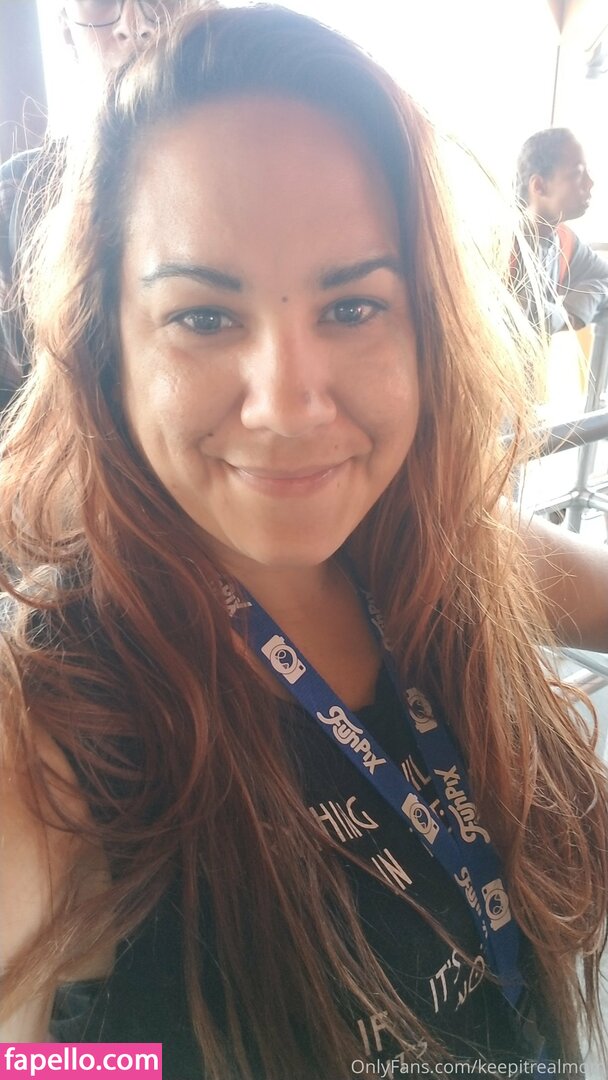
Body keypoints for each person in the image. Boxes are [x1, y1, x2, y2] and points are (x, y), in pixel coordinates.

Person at [1, 7, 607, 1079]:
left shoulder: (447, 550)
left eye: (354, 307)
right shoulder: (44, 725)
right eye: (202, 317)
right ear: (107, 346)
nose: (286, 404)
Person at [0, 0, 191, 410]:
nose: (135, 24)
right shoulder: (15, 198)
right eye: (103, 3)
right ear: (67, 31)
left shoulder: (283, 173)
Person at [512, 127, 608, 334]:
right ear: (539, 186)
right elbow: (518, 315)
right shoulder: (500, 245)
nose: (590, 183)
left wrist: (573, 314)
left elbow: (605, 278)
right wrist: (562, 318)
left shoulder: (563, 240)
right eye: (577, 173)